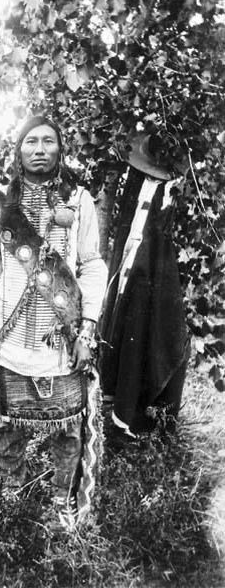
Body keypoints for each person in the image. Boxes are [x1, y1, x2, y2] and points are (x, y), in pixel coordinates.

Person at [0, 116, 107, 529]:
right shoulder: (1, 209)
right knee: (6, 421)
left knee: (67, 428)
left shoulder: (80, 200)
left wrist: (86, 328)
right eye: (30, 141)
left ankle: (60, 499)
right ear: (18, 152)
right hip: (12, 336)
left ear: (59, 150)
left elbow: (91, 265)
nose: (38, 149)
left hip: (62, 338)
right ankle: (11, 492)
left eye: (48, 141)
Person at [99, 134, 190, 439]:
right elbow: (129, 222)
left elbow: (160, 235)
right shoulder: (136, 181)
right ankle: (116, 399)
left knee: (147, 330)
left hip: (151, 273)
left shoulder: (172, 193)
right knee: (122, 327)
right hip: (128, 265)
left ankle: (136, 410)